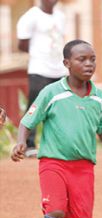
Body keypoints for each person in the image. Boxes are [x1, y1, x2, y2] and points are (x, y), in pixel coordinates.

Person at [12, 40, 102, 218]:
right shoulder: (51, 92)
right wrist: (21, 142)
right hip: (53, 162)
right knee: (55, 212)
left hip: (84, 168)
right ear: (66, 64)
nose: (89, 63)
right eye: (82, 59)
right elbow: (28, 121)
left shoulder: (99, 96)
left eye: (92, 58)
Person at [16, 0, 67, 156]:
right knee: (35, 106)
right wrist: (39, 54)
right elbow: (22, 44)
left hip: (59, 69)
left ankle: (59, 144)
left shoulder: (60, 16)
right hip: (39, 69)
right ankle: (28, 145)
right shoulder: (31, 16)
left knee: (61, 107)